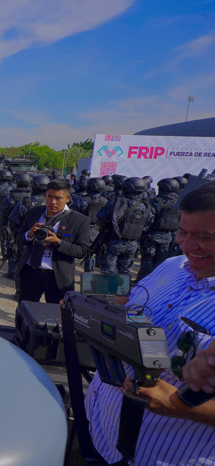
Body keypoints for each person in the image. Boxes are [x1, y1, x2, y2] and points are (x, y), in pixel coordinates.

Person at [85, 180, 215, 465]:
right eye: (182, 231)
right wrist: (87, 300)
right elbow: (134, 301)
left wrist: (181, 406)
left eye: (204, 236)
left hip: (162, 456)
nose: (187, 244)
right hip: (101, 431)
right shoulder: (172, 265)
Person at [15, 178, 90, 304]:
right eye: (49, 196)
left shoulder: (79, 220)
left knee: (57, 316)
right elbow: (19, 238)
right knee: (24, 313)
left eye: (58, 198)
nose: (52, 202)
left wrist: (58, 242)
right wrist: (29, 234)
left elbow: (82, 251)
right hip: (31, 272)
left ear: (68, 198)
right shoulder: (34, 213)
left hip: (58, 276)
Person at [96, 177, 153, 275]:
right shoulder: (146, 207)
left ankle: (107, 290)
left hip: (114, 241)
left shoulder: (116, 202)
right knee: (125, 273)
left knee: (108, 271)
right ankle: (123, 290)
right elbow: (147, 225)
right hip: (133, 244)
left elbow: (101, 218)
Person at [136, 177, 180, 281]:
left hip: (152, 236)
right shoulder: (180, 202)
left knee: (147, 259)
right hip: (169, 236)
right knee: (160, 261)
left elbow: (148, 218)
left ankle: (142, 281)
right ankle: (154, 282)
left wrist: (143, 230)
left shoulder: (157, 201)